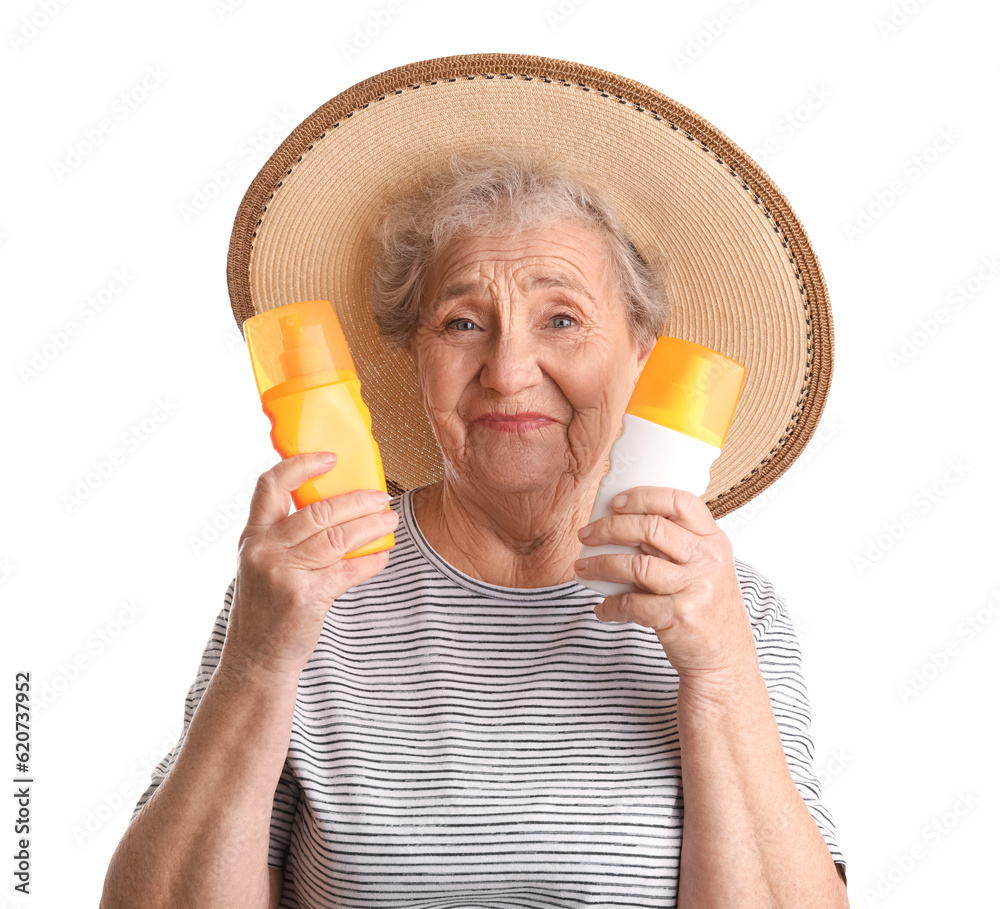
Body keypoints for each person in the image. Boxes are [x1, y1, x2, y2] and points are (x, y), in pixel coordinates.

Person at [101, 55, 848, 909]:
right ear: (414, 356)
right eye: (462, 322)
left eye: (560, 318)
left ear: (644, 353)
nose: (509, 369)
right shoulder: (304, 592)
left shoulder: (730, 611)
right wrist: (261, 661)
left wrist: (717, 671)